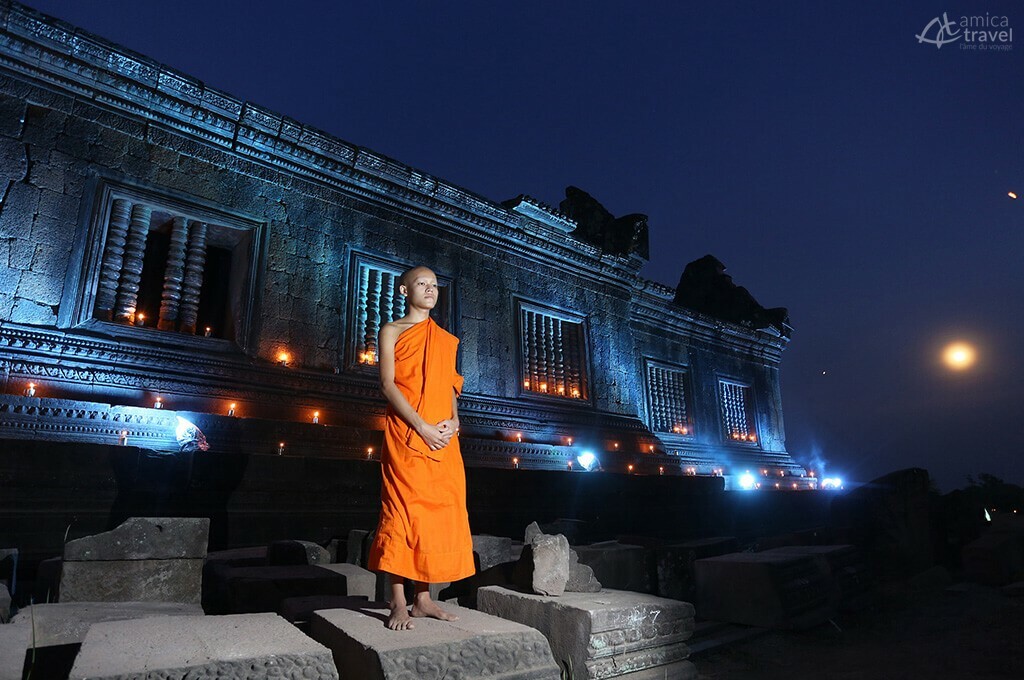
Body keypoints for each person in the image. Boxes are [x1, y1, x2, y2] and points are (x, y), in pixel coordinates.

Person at [367, 265, 475, 630]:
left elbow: (449, 387)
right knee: (401, 511)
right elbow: (386, 385)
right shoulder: (391, 331)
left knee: (435, 514)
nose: (430, 290)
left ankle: (423, 599)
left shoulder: (443, 338)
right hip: (408, 434)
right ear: (404, 290)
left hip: (443, 439)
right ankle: (397, 600)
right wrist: (422, 426)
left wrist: (454, 422)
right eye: (421, 284)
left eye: (434, 285)